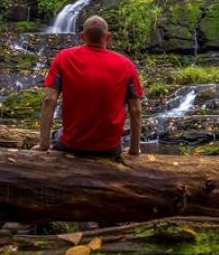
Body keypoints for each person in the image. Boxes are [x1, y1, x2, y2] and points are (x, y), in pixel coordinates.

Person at [35, 16, 143, 157]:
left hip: (71, 145)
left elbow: (49, 100)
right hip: (109, 148)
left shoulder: (64, 58)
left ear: (82, 37)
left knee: (58, 134)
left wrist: (44, 144)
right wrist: (134, 150)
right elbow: (136, 110)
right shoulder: (126, 65)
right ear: (108, 37)